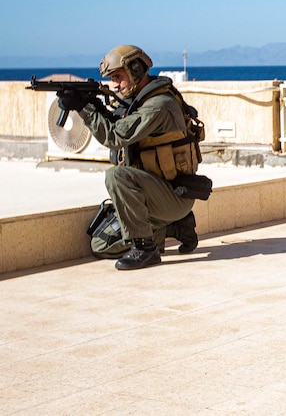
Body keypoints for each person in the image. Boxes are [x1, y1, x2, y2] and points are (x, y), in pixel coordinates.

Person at [57, 45, 205, 270]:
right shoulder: (138, 101)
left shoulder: (159, 105)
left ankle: (146, 249)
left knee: (116, 176)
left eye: (118, 77)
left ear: (135, 70)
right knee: (101, 245)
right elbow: (117, 123)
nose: (114, 84)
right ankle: (176, 227)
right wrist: (95, 105)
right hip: (154, 195)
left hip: (173, 195)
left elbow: (115, 136)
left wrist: (84, 108)